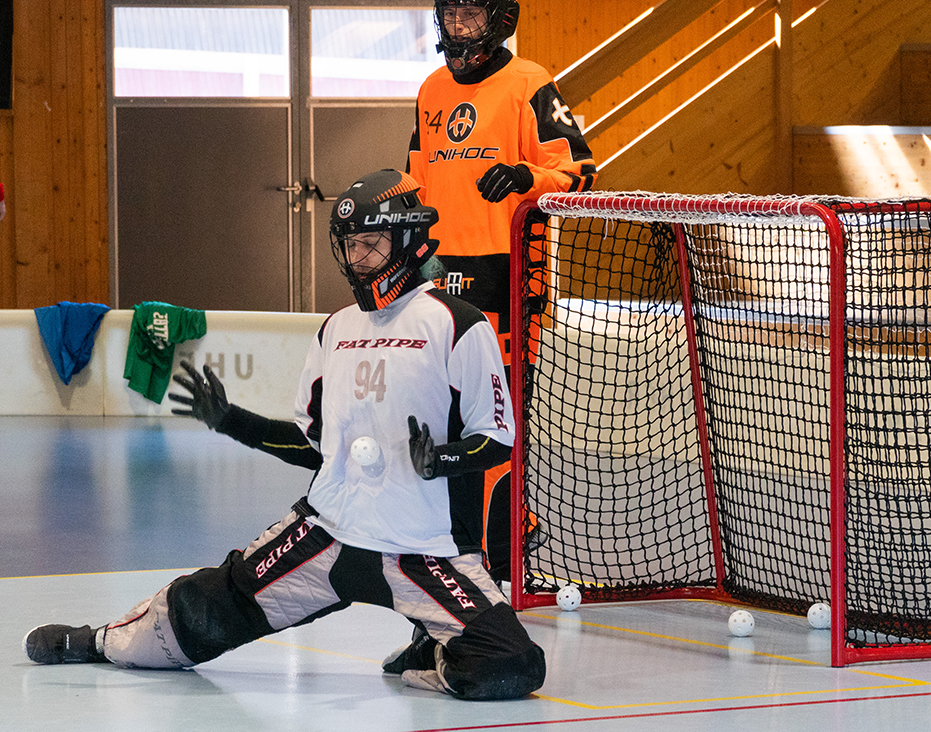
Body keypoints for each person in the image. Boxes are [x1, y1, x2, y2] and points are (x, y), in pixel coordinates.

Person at [22, 169, 546, 701]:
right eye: (350, 246)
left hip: (424, 551)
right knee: (205, 611)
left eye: (372, 244)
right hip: (326, 534)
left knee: (511, 667)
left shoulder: (460, 324)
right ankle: (99, 640)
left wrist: (443, 460)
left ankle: (432, 648)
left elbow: (499, 439)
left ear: (410, 239)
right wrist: (234, 421)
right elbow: (314, 447)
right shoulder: (335, 329)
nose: (359, 259)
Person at [409, 0, 597, 581]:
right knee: (447, 414)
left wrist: (526, 176)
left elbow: (581, 170)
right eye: (451, 14)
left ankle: (506, 544)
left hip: (510, 272)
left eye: (472, 14)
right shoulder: (431, 89)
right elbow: (415, 182)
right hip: (439, 277)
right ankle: (466, 544)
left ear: (501, 19)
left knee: (499, 412)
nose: (459, 26)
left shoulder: (530, 83)